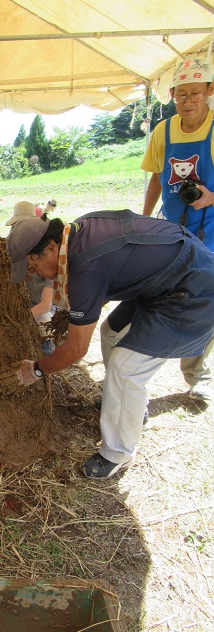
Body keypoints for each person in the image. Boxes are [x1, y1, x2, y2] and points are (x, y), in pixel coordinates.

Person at [3, 210, 214, 479]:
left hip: (192, 287)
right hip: (160, 280)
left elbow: (76, 350)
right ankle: (125, 404)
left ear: (52, 247)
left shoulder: (86, 266)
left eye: (33, 266)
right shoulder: (78, 231)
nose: (33, 274)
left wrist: (35, 370)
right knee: (111, 331)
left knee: (126, 368)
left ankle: (118, 452)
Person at [141, 58, 214, 402]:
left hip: (211, 234)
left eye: (195, 93)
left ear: (209, 91)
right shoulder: (164, 131)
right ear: (172, 95)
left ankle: (196, 375)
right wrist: (144, 218)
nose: (188, 101)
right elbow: (156, 175)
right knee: (160, 300)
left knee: (205, 305)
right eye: (181, 94)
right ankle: (139, 375)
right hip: (174, 234)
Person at [6, 201, 56, 355]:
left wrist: (19, 322)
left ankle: (46, 355)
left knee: (44, 321)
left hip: (42, 310)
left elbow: (45, 306)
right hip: (24, 308)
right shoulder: (16, 252)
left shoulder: (47, 262)